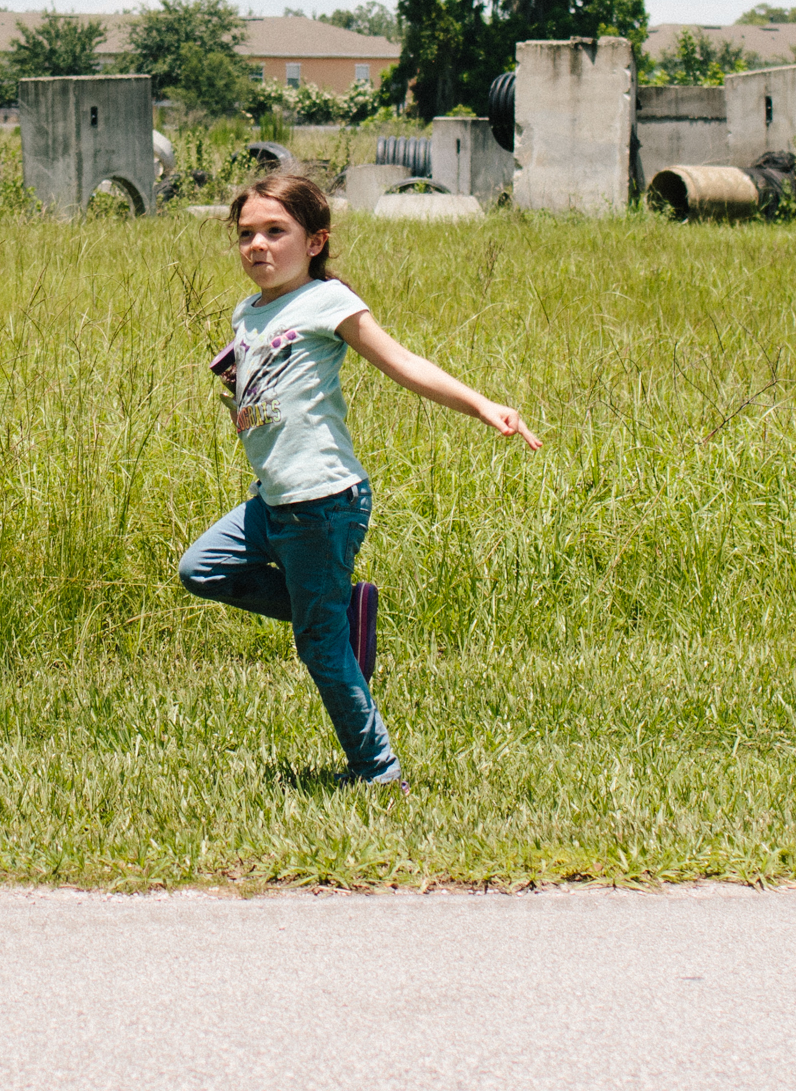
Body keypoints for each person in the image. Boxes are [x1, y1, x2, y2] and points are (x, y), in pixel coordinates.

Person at [177, 171, 539, 788]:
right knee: (202, 569)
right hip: (273, 500)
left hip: (322, 501)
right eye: (246, 235)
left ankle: (377, 770)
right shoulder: (248, 310)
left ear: (315, 242)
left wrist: (482, 405)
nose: (257, 246)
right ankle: (342, 611)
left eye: (275, 232)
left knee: (320, 647)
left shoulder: (327, 301)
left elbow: (402, 363)